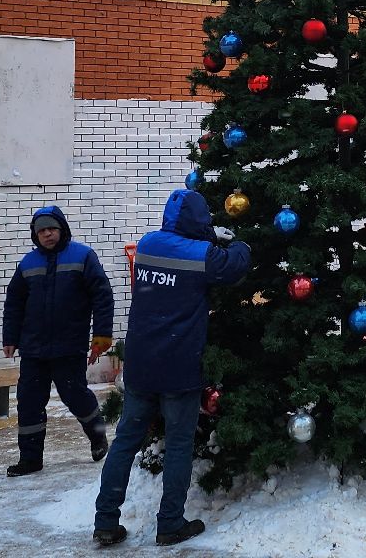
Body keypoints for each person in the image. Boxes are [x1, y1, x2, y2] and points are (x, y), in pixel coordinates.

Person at [92, 188, 250, 549]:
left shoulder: (148, 244)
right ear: (200, 219)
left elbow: (183, 244)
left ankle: (105, 521)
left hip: (141, 365)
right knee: (179, 444)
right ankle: (170, 524)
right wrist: (238, 242)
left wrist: (209, 239)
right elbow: (234, 266)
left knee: (125, 442)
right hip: (179, 366)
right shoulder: (204, 256)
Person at [2, 204, 114, 476]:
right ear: (35, 235)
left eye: (52, 229)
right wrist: (10, 337)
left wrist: (101, 335)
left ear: (62, 229)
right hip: (33, 348)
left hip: (69, 344)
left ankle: (98, 436)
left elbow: (102, 296)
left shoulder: (83, 256)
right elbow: (14, 302)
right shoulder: (28, 263)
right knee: (29, 402)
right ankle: (30, 459)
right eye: (42, 231)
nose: (47, 235)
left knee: (75, 395)